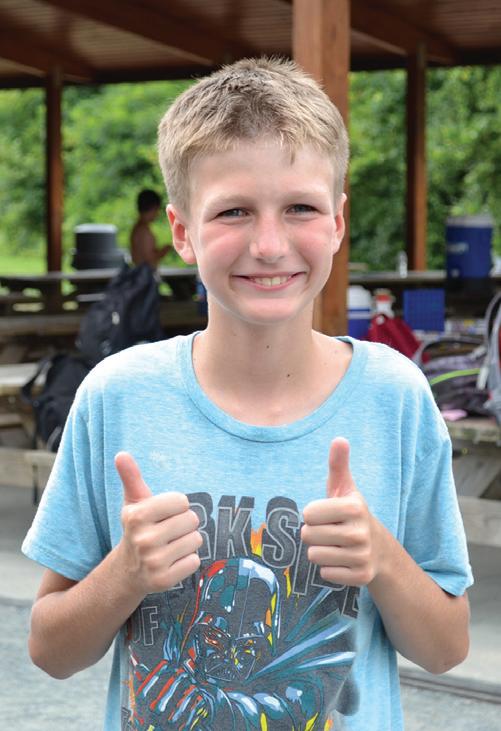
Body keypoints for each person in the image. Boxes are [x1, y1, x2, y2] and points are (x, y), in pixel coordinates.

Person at [22, 58, 472, 730]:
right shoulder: (117, 396)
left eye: (300, 208)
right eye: (234, 211)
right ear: (181, 232)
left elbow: (446, 647)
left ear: (338, 221)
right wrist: (124, 574)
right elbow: (50, 650)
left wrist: (382, 559)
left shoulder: (394, 398)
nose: (268, 244)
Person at [130, 188, 171, 267]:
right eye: (157, 210)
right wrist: (166, 249)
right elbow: (149, 259)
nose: (157, 214)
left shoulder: (137, 228)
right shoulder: (143, 231)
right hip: (145, 273)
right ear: (153, 208)